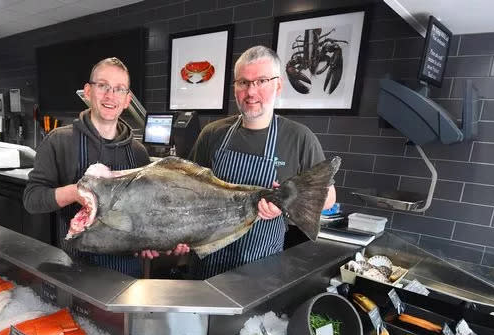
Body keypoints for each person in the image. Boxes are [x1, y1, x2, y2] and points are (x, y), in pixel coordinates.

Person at [24, 57, 185, 277]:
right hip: (74, 267)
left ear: (128, 99)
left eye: (119, 89)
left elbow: (144, 212)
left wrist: (151, 241)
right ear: (88, 91)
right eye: (103, 86)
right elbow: (32, 199)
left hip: (127, 272)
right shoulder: (59, 141)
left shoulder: (138, 152)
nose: (110, 96)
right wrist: (75, 193)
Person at [188, 45, 337, 279]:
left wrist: (287, 201)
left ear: (278, 86)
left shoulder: (299, 137)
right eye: (243, 82)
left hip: (260, 266)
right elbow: (190, 190)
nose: (251, 92)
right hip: (207, 261)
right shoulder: (212, 133)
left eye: (261, 81)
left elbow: (328, 197)